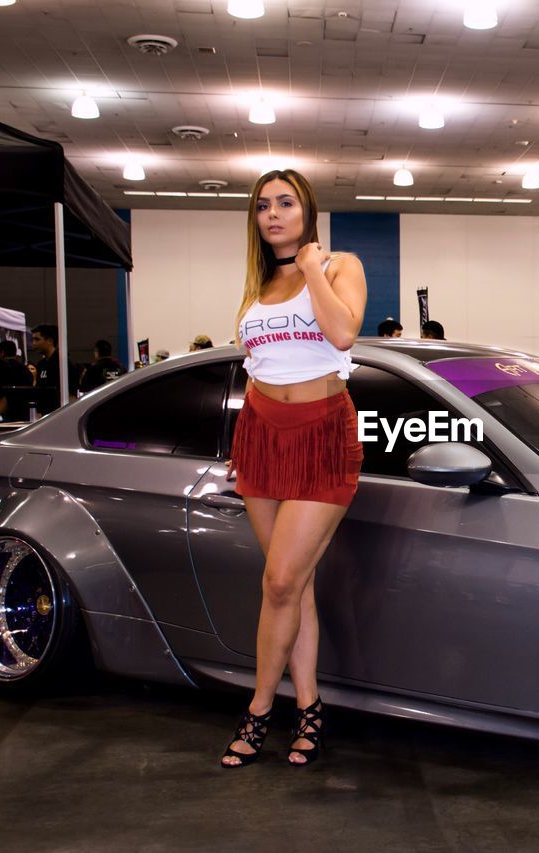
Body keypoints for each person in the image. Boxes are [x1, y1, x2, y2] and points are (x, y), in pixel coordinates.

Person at [221, 168, 367, 770]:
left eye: (285, 203)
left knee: (279, 581)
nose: (273, 214)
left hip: (324, 434)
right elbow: (260, 364)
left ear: (307, 209)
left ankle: (258, 709)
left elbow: (343, 331)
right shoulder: (256, 282)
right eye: (262, 207)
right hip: (260, 436)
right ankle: (309, 707)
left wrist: (311, 268)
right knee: (293, 584)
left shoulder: (340, 266)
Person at [30, 324, 72, 412]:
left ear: (49, 341)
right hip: (44, 416)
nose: (33, 343)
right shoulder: (41, 364)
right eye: (32, 340)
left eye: (37, 339)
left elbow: (71, 395)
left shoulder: (63, 364)